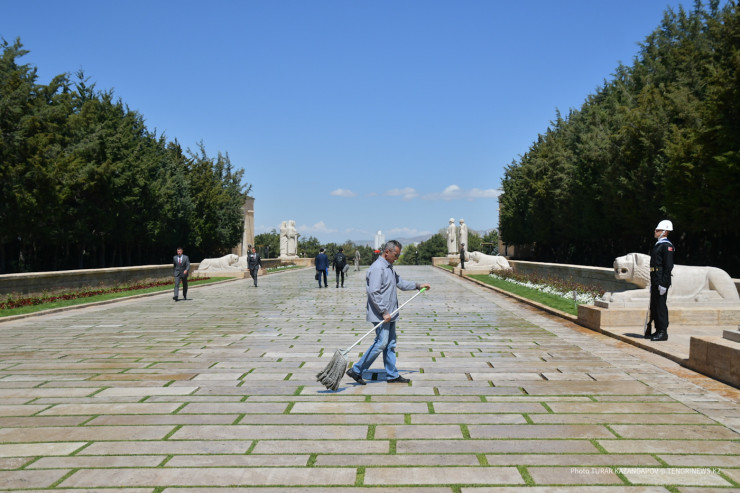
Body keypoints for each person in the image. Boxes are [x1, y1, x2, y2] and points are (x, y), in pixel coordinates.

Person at [346, 240, 431, 385]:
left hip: (391, 313)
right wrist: (384, 311)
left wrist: (418, 285)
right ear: (387, 252)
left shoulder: (389, 267)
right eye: (396, 255)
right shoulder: (378, 268)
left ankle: (392, 375)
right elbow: (373, 292)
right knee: (381, 343)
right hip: (381, 314)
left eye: (398, 255)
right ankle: (357, 369)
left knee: (390, 344)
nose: (397, 258)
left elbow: (400, 283)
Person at [647, 220, 675, 342]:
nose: (655, 231)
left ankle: (663, 332)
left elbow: (668, 266)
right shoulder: (658, 245)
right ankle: (657, 330)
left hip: (661, 280)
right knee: (654, 305)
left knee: (660, 306)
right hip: (655, 279)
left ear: (665, 232)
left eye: (658, 230)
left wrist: (664, 283)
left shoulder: (667, 246)